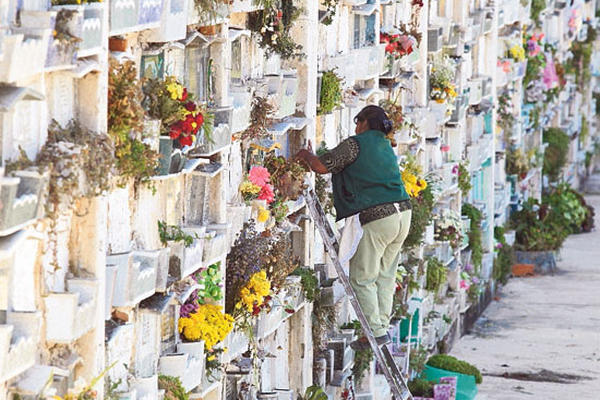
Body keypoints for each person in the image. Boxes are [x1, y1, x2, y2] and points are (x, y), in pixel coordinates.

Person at [296, 105, 412, 350]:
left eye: (357, 121)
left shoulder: (356, 144)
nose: (355, 127)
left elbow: (321, 167)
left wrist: (304, 155)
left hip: (380, 216)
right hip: (403, 215)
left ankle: (376, 332)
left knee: (361, 276)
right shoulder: (385, 144)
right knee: (385, 275)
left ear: (365, 121)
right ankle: (380, 327)